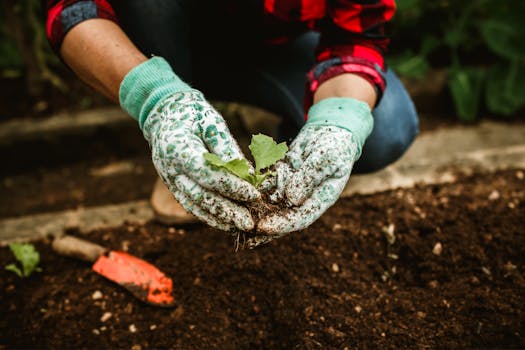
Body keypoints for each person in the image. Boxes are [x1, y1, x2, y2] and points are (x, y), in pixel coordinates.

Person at [43, 0, 418, 244]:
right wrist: (158, 101)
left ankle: (287, 159)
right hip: (150, 48)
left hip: (271, 50)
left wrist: (338, 123)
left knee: (383, 130)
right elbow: (73, 10)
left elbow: (356, 38)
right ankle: (181, 140)